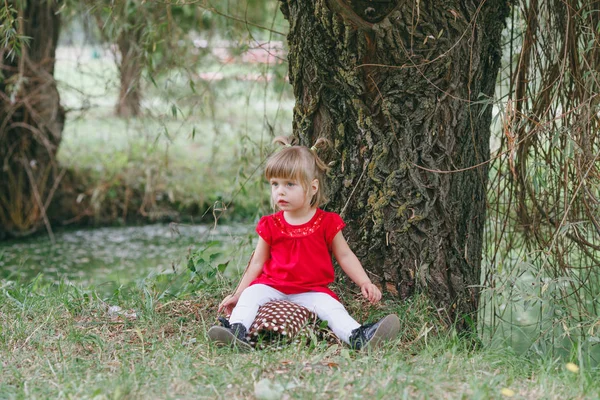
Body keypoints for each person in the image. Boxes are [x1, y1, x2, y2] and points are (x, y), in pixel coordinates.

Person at [208, 137, 400, 351]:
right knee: (251, 295)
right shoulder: (270, 224)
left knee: (333, 309)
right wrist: (238, 293)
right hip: (272, 286)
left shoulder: (326, 222)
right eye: (275, 184)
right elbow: (256, 263)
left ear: (313, 186)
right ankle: (236, 331)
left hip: (311, 290)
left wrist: (364, 282)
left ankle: (360, 336)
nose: (280, 191)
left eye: (290, 184)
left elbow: (345, 255)